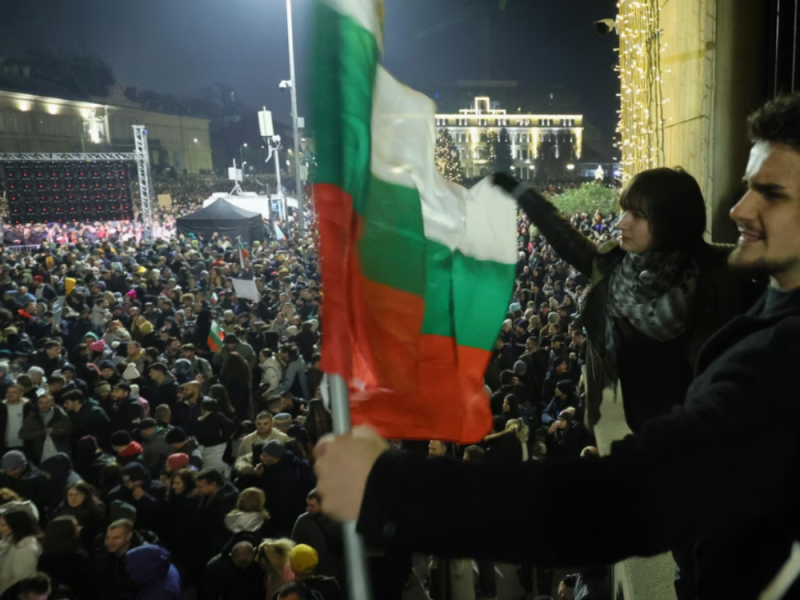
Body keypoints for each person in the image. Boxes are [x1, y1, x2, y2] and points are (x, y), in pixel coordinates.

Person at [312, 94, 800, 600]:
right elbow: (572, 245)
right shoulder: (626, 275)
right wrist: (521, 192)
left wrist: (393, 492)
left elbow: (618, 500)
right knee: (694, 560)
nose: (740, 208)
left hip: (695, 467)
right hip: (690, 470)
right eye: (746, 188)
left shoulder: (767, 344)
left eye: (773, 193)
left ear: (669, 223)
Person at [495, 168, 758, 433]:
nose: (621, 223)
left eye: (638, 215)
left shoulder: (721, 277)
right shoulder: (612, 268)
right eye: (624, 211)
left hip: (699, 442)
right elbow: (566, 238)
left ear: (672, 222)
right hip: (631, 435)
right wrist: (521, 193)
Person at [36, 516, 100, 600]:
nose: (80, 527)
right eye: (76, 526)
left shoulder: (44, 558)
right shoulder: (78, 559)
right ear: (67, 532)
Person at [291, 490, 344, 581]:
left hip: (335, 571)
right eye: (308, 504)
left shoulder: (337, 520)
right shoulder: (303, 521)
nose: (308, 508)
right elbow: (294, 546)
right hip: (312, 572)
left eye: (312, 506)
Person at [203, 534, 267, 600]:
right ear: (230, 555)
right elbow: (210, 595)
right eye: (240, 566)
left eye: (246, 565)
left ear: (254, 552)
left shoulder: (269, 560)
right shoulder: (217, 567)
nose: (244, 568)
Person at [51, 480, 105, 553]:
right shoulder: (60, 511)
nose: (73, 498)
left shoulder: (95, 512)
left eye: (78, 494)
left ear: (85, 495)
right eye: (70, 495)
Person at [18, 394, 71, 464]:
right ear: (37, 404)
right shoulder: (32, 418)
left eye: (47, 402)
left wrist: (54, 431)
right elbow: (22, 434)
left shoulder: (60, 416)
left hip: (59, 451)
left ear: (52, 403)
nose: (44, 405)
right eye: (41, 403)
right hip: (39, 454)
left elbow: (69, 430)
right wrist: (42, 432)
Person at [0, 510, 41, 595]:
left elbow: (22, 579)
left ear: (16, 526)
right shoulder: (7, 542)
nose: (0, 528)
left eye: (3, 525)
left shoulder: (26, 548)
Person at [0, 385, 34, 456]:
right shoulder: (2, 407)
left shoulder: (28, 407)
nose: (10, 395)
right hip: (4, 446)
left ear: (21, 394)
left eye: (14, 392)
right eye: (8, 392)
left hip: (24, 445)